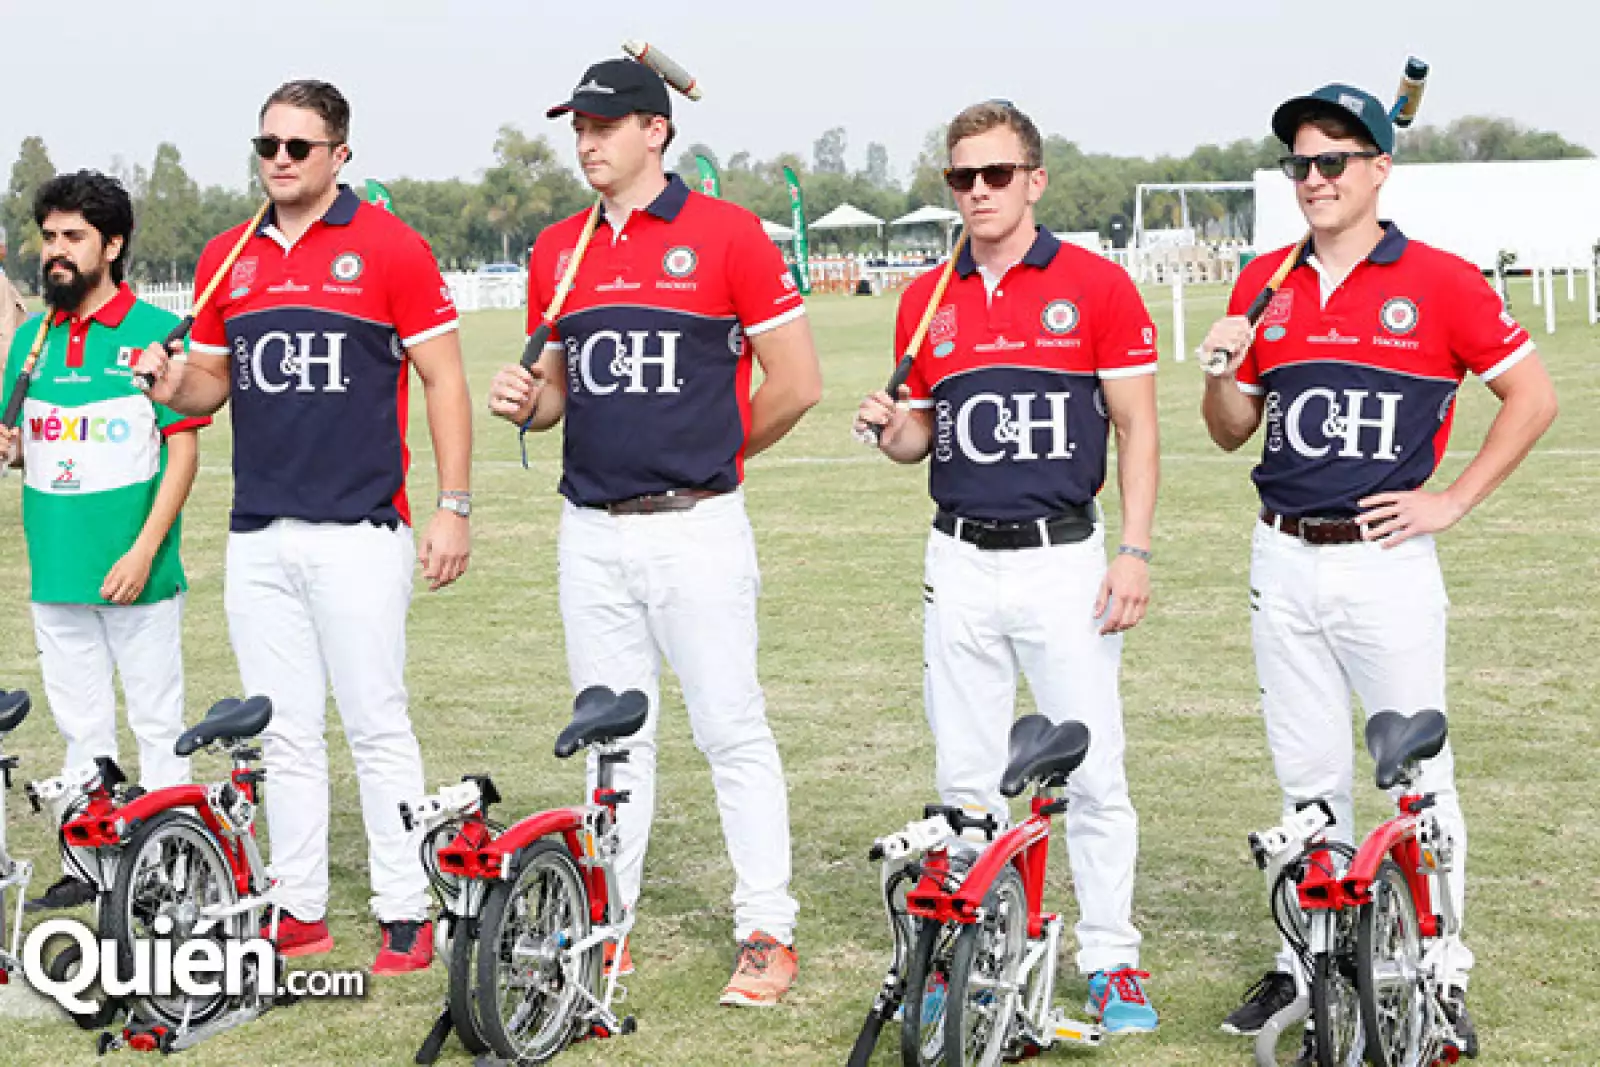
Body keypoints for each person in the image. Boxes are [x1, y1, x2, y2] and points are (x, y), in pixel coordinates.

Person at [1201, 82, 1559, 1060]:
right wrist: (1220, 366)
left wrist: (1453, 498)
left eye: (1332, 161)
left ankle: (1438, 970)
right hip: (1281, 551)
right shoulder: (1263, 281)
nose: (1312, 179)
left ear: (1377, 170)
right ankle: (1310, 955)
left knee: (1417, 778)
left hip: (1386, 558)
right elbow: (1229, 431)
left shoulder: (1438, 280)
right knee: (1306, 779)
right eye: (1299, 165)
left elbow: (1531, 395)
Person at [486, 56, 822, 1006]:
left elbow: (796, 381)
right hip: (588, 529)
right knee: (610, 739)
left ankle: (766, 928)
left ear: (654, 131)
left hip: (697, 527)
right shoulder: (559, 247)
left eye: (603, 125)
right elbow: (555, 394)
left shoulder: (729, 234)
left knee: (731, 730)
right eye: (577, 129)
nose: (586, 143)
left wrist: (714, 451)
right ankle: (604, 924)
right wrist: (528, 398)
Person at [133, 80, 473, 975]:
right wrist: (168, 385)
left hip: (360, 525)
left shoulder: (392, 247)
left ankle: (405, 908)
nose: (278, 160)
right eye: (267, 145)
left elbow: (444, 378)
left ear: (339, 155)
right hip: (258, 530)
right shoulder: (228, 254)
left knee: (374, 722)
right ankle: (299, 906)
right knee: (282, 730)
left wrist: (453, 504)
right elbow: (210, 385)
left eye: (298, 147)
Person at [852, 99, 1162, 1034]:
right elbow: (920, 441)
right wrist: (890, 429)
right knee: (966, 776)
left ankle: (1112, 957)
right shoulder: (926, 296)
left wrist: (1135, 550)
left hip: (1064, 558)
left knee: (1093, 770)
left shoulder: (1096, 286)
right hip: (957, 554)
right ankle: (969, 948)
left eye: (995, 174)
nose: (977, 192)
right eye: (961, 177)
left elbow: (1139, 427)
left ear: (1033, 179)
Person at [0, 171, 206, 911]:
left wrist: (145, 550)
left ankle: (174, 864)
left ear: (112, 244)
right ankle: (89, 863)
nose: (56, 251)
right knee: (80, 724)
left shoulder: (154, 331)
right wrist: (13, 448)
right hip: (56, 570)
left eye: (73, 238)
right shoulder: (33, 337)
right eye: (49, 236)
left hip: (135, 569)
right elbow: (31, 445)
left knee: (157, 723)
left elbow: (182, 452)